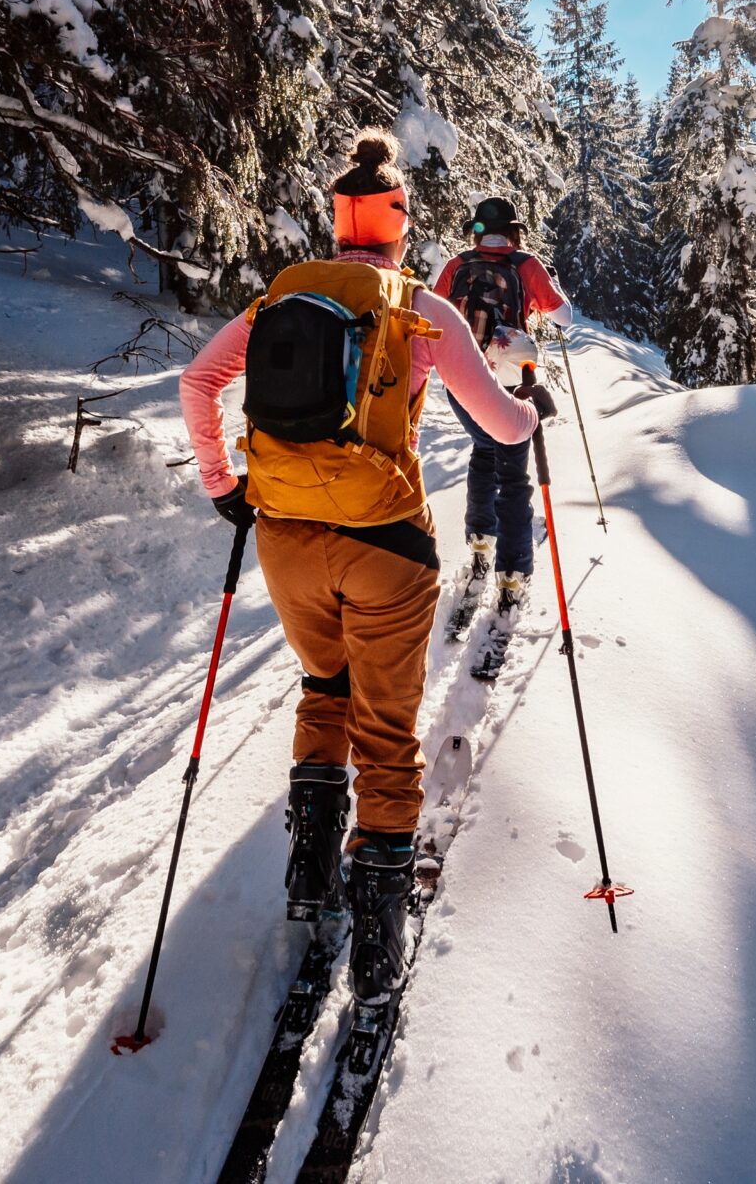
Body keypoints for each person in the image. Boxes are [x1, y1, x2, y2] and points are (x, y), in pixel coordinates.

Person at [179, 131, 548, 1007]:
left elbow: (198, 383)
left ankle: (310, 868)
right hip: (386, 543)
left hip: (284, 538)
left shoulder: (280, 296)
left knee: (324, 688)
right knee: (386, 730)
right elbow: (498, 424)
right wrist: (533, 413)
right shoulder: (418, 308)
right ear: (397, 227)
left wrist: (225, 487)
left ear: (336, 221)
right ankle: (377, 944)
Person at [432, 197, 575, 610]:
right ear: (514, 231)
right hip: (511, 385)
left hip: (462, 383)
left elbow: (433, 316)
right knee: (513, 474)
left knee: (483, 449)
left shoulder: (457, 266)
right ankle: (512, 573)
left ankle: (480, 538)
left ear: (477, 230)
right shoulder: (526, 265)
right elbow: (566, 318)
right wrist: (552, 286)